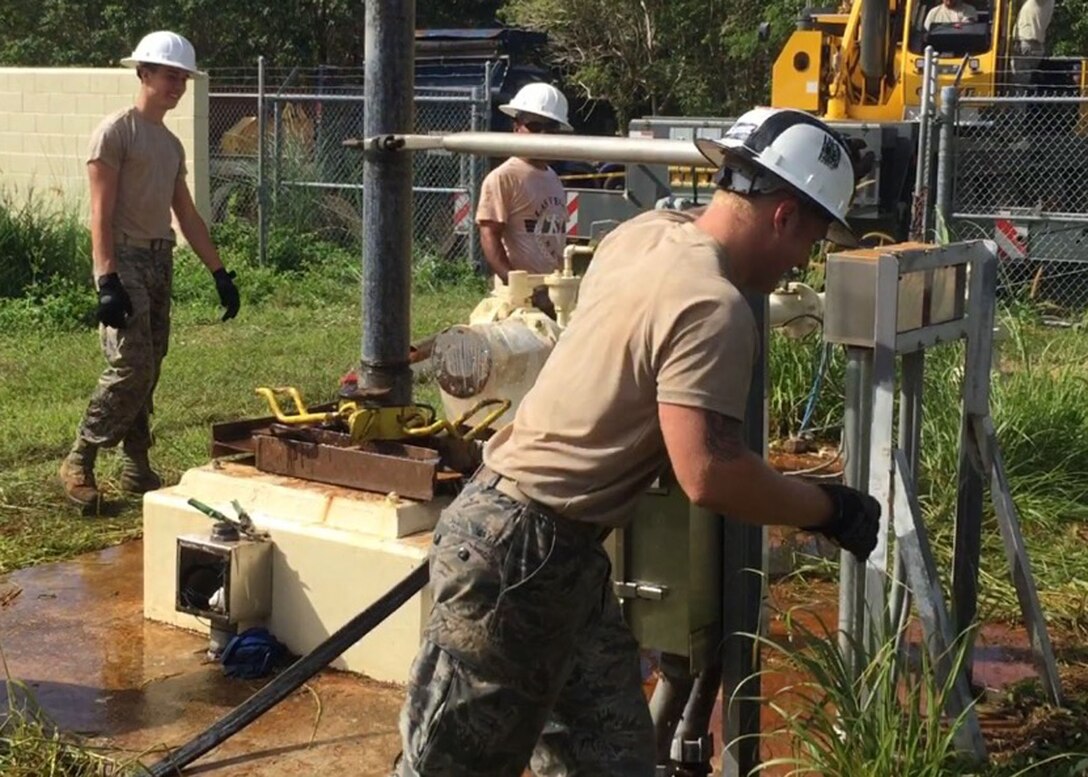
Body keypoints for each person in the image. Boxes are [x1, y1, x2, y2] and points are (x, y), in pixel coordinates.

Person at [393, 107, 881, 776]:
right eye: (813, 237)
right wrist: (829, 508)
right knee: (453, 766)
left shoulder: (642, 234)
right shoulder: (714, 305)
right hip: (517, 550)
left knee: (610, 756)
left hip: (559, 554)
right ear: (784, 216)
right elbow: (709, 473)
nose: (806, 258)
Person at [58, 31, 240, 513]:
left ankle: (137, 465)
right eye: (168, 76)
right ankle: (80, 458)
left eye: (183, 78)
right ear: (143, 74)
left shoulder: (170, 144)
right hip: (124, 258)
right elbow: (100, 212)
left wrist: (220, 273)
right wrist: (107, 280)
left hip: (161, 259)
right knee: (130, 363)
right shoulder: (116, 132)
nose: (177, 86)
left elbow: (188, 215)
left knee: (150, 363)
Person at [476, 82, 571, 314]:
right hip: (520, 302)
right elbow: (489, 236)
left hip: (553, 294)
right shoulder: (503, 177)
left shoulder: (553, 179)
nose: (543, 134)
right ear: (516, 127)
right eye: (535, 126)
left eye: (550, 127)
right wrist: (518, 286)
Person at [1012, 0, 1054, 88]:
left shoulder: (1041, 2)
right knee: (1021, 82)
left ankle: (1018, 101)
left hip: (1028, 44)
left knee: (1019, 84)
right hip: (1032, 44)